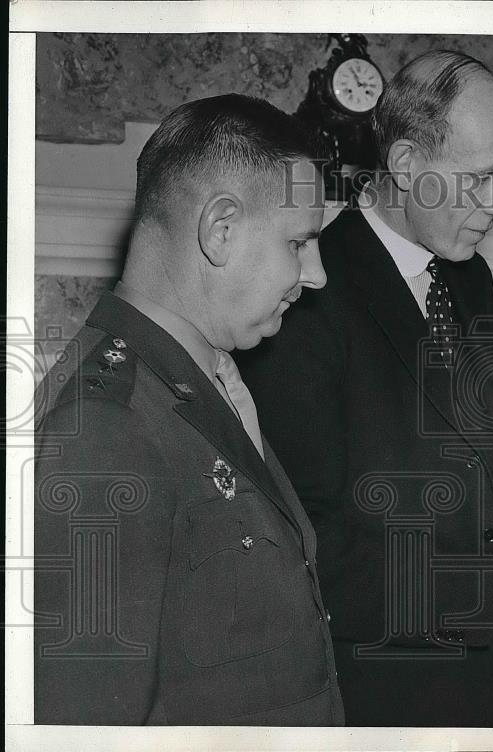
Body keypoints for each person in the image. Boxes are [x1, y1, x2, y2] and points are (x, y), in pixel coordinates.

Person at [238, 51, 493, 727]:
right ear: (404, 166)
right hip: (396, 703)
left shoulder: (467, 277)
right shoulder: (304, 293)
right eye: (482, 180)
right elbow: (306, 558)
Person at [33, 94, 345, 725]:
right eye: (299, 242)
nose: (316, 275)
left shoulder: (206, 379)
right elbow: (87, 718)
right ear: (220, 229)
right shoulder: (107, 425)